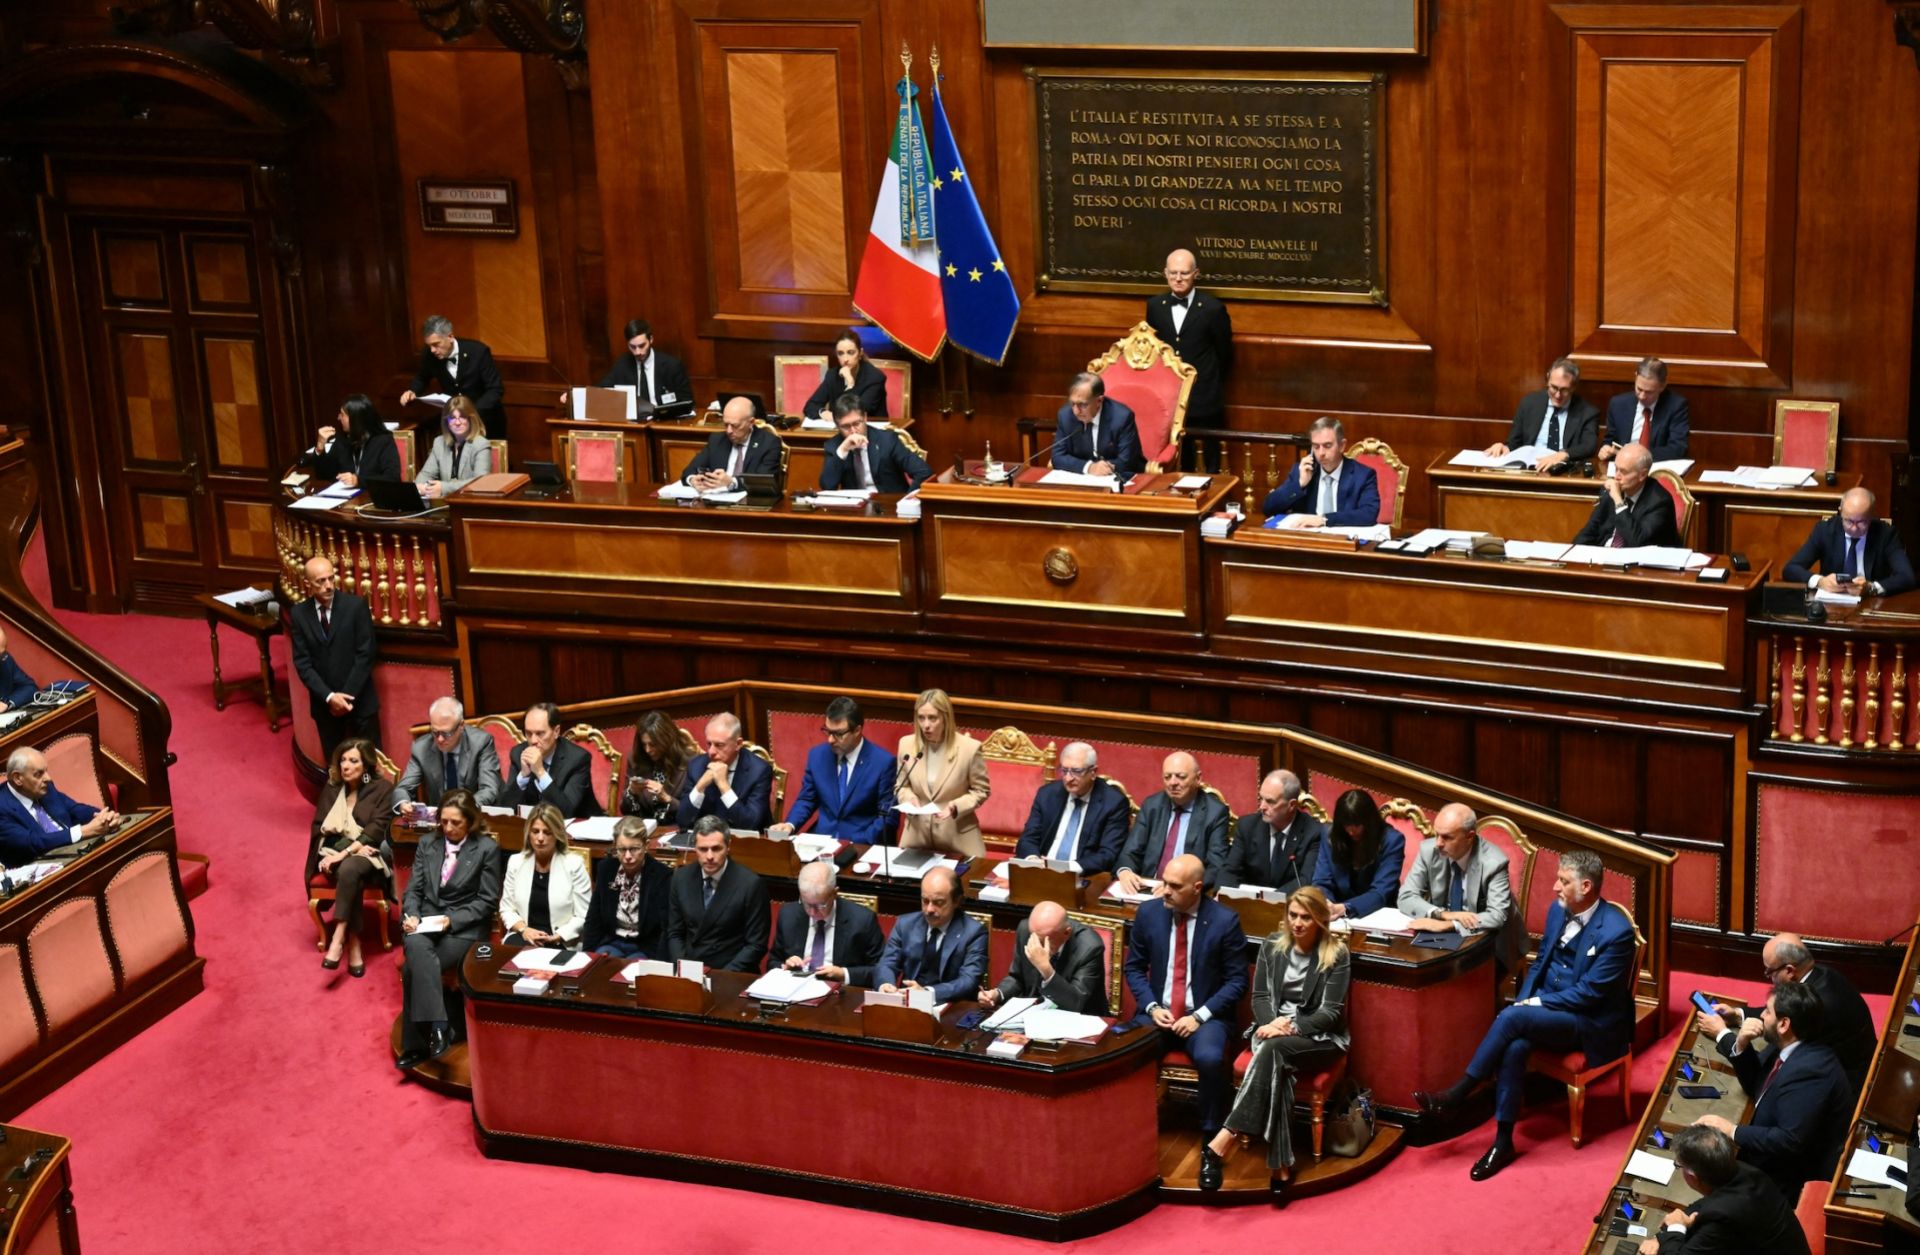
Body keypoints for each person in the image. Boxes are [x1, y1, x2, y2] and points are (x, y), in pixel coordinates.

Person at [1413, 850, 1637, 1180]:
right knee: (1515, 1043)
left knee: (1512, 1018)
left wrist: (1528, 1008)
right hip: (1549, 1007)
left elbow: (1589, 995)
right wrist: (1526, 999)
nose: (1554, 888)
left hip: (1588, 1021)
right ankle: (1503, 1142)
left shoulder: (1617, 933)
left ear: (1586, 886)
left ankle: (1456, 1095)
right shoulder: (1557, 911)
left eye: (1563, 881)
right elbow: (1540, 962)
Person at [1205, 886, 1352, 1203]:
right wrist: (1271, 1023)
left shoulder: (1336, 954)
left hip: (1319, 1039)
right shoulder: (1272, 946)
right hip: (1272, 1032)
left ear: (1320, 921)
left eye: (1306, 917)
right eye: (1293, 915)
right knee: (1278, 1063)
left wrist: (1292, 1025)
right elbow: (1259, 997)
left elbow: (1331, 1013)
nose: (1297, 923)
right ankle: (1280, 1165)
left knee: (1274, 1051)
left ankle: (1225, 1136)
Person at [1125, 853, 1249, 1190]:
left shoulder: (1225, 921)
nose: (1164, 891)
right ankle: (1128, 1132)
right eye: (1164, 882)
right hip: (1159, 1013)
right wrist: (1151, 1006)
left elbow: (1237, 982)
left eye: (1174, 886)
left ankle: (1211, 1141)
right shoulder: (1149, 913)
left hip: (1205, 1016)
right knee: (1126, 1052)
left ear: (1197, 888)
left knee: (1210, 1059)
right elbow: (1134, 968)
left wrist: (1198, 1016)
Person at [1690, 980, 1852, 1197]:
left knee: (1703, 1170)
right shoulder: (1793, 1044)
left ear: (1784, 1024)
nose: (1762, 1016)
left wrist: (1732, 1131)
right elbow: (1757, 1087)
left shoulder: (1811, 1072)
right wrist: (1742, 1044)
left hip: (1790, 1178)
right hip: (1777, 1148)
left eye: (1767, 1011)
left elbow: (1789, 1140)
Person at [396, 790, 502, 1070]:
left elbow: (487, 901)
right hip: (424, 923)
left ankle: (417, 1045)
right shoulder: (428, 843)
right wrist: (413, 917)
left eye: (456, 822)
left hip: (462, 928)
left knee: (411, 969)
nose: (449, 828)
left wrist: (450, 920)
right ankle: (441, 1025)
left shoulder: (486, 849)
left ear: (470, 822)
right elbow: (413, 890)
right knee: (417, 947)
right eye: (444, 822)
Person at [1697, 931, 1876, 1096]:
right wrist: (1738, 1015)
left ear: (1789, 970)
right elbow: (1784, 1008)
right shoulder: (1821, 974)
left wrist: (1722, 1034)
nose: (1769, 978)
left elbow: (1758, 1083)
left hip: (1847, 1086)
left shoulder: (1819, 1009)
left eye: (1769, 972)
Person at [1634, 1125, 1811, 1255]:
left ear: (1693, 1177)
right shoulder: (1744, 1171)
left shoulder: (1723, 1217)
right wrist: (1665, 1234)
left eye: (1679, 1165)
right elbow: (1706, 1204)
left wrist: (1676, 1228)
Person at [305, 737, 394, 978]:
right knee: (349, 869)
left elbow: (376, 830)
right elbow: (320, 828)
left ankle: (339, 936)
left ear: (365, 766)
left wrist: (347, 851)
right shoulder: (333, 788)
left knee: (350, 866)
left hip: (371, 855)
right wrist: (351, 848)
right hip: (335, 853)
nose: (345, 766)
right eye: (342, 760)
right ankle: (354, 942)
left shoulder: (384, 789)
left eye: (353, 761)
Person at [1399, 803, 1522, 971]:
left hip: (1488, 943)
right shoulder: (1429, 851)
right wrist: (1444, 915)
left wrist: (1450, 924)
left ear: (1470, 836)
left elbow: (1497, 916)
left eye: (1447, 837)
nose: (1438, 843)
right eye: (1437, 834)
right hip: (1439, 939)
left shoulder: (1493, 862)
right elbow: (1406, 896)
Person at [768, 696, 897, 847]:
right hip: (822, 843)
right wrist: (790, 824)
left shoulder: (882, 763)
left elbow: (888, 818)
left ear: (857, 730)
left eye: (838, 734)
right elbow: (807, 799)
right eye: (827, 731)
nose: (830, 739)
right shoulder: (817, 756)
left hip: (860, 844)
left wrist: (854, 843)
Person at [1146, 248, 1232, 473]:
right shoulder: (1155, 306)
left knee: (1209, 460)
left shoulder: (1213, 308)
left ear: (1196, 273)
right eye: (1173, 273)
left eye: (1184, 273)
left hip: (1203, 399)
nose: (1178, 278)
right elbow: (1155, 350)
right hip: (1168, 399)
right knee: (1175, 458)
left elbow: (1224, 353)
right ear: (1165, 273)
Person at [287, 556, 380, 757]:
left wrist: (344, 698)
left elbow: (366, 654)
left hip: (360, 702)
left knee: (370, 769)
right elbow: (303, 663)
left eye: (331, 578)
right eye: (321, 581)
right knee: (336, 767)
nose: (328, 586)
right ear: (307, 584)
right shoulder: (299, 615)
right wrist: (330, 697)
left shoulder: (355, 607)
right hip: (325, 706)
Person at [1113, 752, 1230, 893]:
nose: (1173, 783)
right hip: (1148, 888)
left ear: (1198, 778)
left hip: (1187, 894)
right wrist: (1125, 871)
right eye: (1167, 777)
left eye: (1181, 777)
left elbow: (1216, 865)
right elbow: (1130, 851)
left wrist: (1178, 887)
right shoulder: (1152, 805)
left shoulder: (1215, 812)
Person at [894, 688, 990, 858]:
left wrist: (955, 806)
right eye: (921, 718)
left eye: (932, 718)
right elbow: (901, 786)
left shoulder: (969, 748)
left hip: (958, 839)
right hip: (917, 837)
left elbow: (981, 791)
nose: (926, 725)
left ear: (945, 718)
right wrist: (909, 798)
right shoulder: (906, 745)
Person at [665, 816, 770, 972]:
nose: (709, 857)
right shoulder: (681, 878)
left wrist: (722, 976)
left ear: (728, 847)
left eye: (716, 848)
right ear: (695, 848)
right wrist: (684, 968)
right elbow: (675, 933)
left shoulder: (750, 884)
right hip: (690, 968)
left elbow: (756, 945)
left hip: (732, 972)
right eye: (703, 849)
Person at [875, 866, 989, 1002]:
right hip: (906, 1003)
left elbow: (968, 981)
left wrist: (927, 993)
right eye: (925, 901)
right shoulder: (905, 924)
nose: (929, 909)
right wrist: (886, 984)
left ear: (957, 901)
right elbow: (887, 963)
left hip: (950, 1006)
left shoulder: (974, 933)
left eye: (938, 902)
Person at [1013, 741, 1130, 873]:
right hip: (1040, 872)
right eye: (1064, 770)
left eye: (1076, 771)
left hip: (1083, 876)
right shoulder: (1047, 794)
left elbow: (1108, 854)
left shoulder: (1113, 803)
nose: (1068, 778)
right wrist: (1033, 860)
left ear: (1093, 772)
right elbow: (1028, 838)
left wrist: (1068, 868)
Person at [979, 899, 1109, 1016]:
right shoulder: (1026, 930)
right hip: (1034, 1013)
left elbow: (1075, 1003)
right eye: (1033, 937)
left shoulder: (1089, 947)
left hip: (1079, 1019)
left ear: (1067, 933)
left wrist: (1046, 969)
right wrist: (997, 994)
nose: (1037, 947)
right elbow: (1018, 978)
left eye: (1043, 941)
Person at [1782, 487, 1916, 597]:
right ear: (1840, 512)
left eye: (1862, 522)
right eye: (1849, 521)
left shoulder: (1886, 534)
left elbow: (1907, 577)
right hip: (1831, 604)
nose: (1854, 528)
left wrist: (1871, 587)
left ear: (1872, 515)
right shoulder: (1825, 531)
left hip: (1870, 605)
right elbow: (1790, 569)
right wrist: (1820, 581)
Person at [768, 861, 886, 985]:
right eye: (807, 904)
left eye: (821, 905)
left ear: (835, 893)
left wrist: (843, 974)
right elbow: (773, 962)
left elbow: (881, 970)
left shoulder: (862, 920)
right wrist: (786, 967)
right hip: (796, 988)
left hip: (840, 993)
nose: (813, 912)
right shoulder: (788, 915)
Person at [1, 746, 117, 868]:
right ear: (18, 778)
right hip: (40, 870)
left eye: (46, 771)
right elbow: (34, 842)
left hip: (76, 854)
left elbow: (74, 810)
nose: (48, 778)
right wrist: (83, 831)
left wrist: (105, 817)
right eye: (38, 774)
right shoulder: (2, 807)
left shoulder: (45, 787)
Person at [1261, 416, 1382, 528]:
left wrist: (1324, 519)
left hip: (1343, 543)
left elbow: (1369, 514)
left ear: (1342, 445)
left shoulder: (1363, 475)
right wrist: (1299, 484)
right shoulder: (1303, 471)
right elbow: (1268, 508)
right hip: (1307, 542)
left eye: (1327, 446)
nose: (1321, 453)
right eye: (1316, 446)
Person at [499, 802, 591, 948]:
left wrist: (558, 936)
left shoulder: (574, 865)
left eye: (547, 832)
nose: (540, 838)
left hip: (561, 939)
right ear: (528, 833)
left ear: (557, 834)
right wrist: (524, 930)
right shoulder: (516, 862)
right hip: (524, 936)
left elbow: (583, 915)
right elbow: (507, 908)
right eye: (535, 831)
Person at [1484, 357, 1600, 470]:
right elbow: (1514, 443)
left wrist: (1563, 454)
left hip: (1561, 470)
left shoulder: (1587, 412)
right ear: (1548, 379)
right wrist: (1504, 447)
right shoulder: (1529, 403)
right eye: (1554, 388)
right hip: (1529, 469)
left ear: (1573, 387)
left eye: (1564, 390)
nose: (1558, 395)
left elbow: (1588, 446)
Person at [400, 314, 505, 438]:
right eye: (429, 346)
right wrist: (412, 391)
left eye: (436, 344)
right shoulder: (429, 355)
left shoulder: (478, 352)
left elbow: (495, 389)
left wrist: (472, 413)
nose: (432, 350)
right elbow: (422, 377)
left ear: (450, 336)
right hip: (454, 425)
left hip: (486, 422)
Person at [580, 816, 671, 958]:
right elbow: (594, 918)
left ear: (646, 846)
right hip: (612, 942)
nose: (628, 856)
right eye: (622, 849)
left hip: (644, 947)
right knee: (600, 971)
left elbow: (665, 928)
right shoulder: (607, 869)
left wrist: (659, 962)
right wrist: (588, 956)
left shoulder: (661, 875)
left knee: (634, 974)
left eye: (634, 849)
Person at [1220, 769, 1324, 893]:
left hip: (1291, 906)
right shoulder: (1247, 826)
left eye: (1270, 802)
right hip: (1248, 904)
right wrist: (1222, 895)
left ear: (1292, 805)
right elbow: (1230, 871)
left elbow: (1305, 880)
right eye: (1261, 799)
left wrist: (1270, 901)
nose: (1262, 807)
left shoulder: (1313, 833)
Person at [394, 697, 504, 809]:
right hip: (442, 821)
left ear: (461, 726)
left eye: (447, 733)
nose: (440, 739)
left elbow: (489, 790)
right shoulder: (421, 748)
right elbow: (403, 789)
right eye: (435, 732)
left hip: (475, 815)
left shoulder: (480, 742)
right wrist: (404, 803)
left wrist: (460, 810)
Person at [1313, 789, 1405, 921]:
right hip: (1334, 915)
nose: (1351, 831)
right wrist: (1327, 904)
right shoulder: (1330, 835)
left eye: (1357, 825)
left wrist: (1345, 908)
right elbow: (1321, 881)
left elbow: (1380, 892)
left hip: (1376, 913)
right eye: (1346, 825)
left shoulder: (1392, 841)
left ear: (1369, 821)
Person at [676, 713, 774, 832]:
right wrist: (700, 786)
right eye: (709, 744)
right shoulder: (696, 766)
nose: (711, 752)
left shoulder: (759, 770)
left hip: (745, 843)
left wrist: (724, 786)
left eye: (719, 745)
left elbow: (750, 824)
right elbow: (682, 821)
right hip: (706, 842)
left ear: (738, 744)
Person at [1571, 443, 1680, 548]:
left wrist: (1619, 501)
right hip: (1605, 556)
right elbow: (1590, 531)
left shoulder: (1659, 502)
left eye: (1623, 471)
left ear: (1642, 474)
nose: (1616, 476)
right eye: (1616, 469)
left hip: (1641, 562)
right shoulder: (1610, 491)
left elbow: (1637, 542)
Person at [819, 395, 930, 493]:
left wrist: (907, 500)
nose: (853, 431)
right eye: (846, 426)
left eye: (857, 423)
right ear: (837, 426)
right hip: (855, 509)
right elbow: (827, 486)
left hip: (890, 506)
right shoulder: (834, 446)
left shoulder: (887, 440)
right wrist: (842, 451)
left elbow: (924, 472)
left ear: (865, 417)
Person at [509, 701, 599, 819]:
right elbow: (504, 810)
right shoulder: (518, 754)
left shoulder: (577, 759)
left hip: (576, 830)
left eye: (540, 733)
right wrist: (523, 777)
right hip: (535, 831)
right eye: (528, 733)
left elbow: (566, 812)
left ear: (556, 731)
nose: (533, 740)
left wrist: (541, 773)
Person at [1050, 372, 1143, 478]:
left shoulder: (1121, 417)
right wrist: (1089, 467)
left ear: (1099, 401)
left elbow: (1128, 461)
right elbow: (1057, 457)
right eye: (1072, 403)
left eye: (1082, 405)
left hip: (1117, 480)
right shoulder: (1065, 415)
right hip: (1080, 480)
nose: (1076, 411)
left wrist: (1103, 469)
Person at [1599, 357, 1689, 463]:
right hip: (1623, 469)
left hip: (1655, 467)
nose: (1642, 396)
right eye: (1639, 389)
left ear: (1662, 386)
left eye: (1649, 392)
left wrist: (1637, 456)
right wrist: (1605, 448)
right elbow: (1610, 440)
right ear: (1636, 377)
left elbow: (1677, 448)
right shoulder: (1618, 404)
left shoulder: (1675, 406)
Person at [679, 396, 781, 491]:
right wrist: (692, 480)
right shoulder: (717, 440)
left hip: (751, 504)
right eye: (726, 424)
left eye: (735, 426)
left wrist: (732, 483)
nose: (729, 431)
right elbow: (689, 471)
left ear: (751, 422)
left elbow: (764, 482)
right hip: (715, 501)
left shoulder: (769, 443)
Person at [304, 394, 400, 487]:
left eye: (342, 414)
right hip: (345, 500)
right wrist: (320, 448)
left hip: (374, 498)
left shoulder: (383, 441)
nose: (338, 418)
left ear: (356, 419)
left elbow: (392, 478)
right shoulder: (342, 439)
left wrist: (358, 481)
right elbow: (325, 474)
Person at [595, 318, 692, 407]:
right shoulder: (622, 364)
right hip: (634, 422)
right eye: (632, 347)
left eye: (642, 346)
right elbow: (602, 390)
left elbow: (687, 400)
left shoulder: (672, 366)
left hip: (663, 420)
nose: (638, 352)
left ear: (651, 339)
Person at [803, 328, 888, 421]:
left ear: (860, 353)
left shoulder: (875, 378)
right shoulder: (832, 375)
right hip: (840, 431)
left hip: (870, 432)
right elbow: (810, 407)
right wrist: (823, 412)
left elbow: (854, 413)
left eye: (851, 353)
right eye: (840, 353)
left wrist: (849, 383)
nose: (845, 359)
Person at [415, 397, 493, 500]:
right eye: (452, 418)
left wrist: (443, 488)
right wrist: (421, 487)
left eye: (462, 417)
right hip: (443, 504)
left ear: (471, 418)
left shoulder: (481, 444)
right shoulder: (439, 442)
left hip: (470, 504)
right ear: (446, 421)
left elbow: (480, 482)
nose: (457, 422)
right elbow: (426, 474)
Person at [620, 710, 688, 823]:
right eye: (644, 744)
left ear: (667, 740)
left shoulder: (689, 761)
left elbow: (693, 812)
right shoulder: (636, 760)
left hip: (677, 829)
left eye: (653, 744)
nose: (647, 750)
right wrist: (631, 793)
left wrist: (667, 798)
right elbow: (625, 810)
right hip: (643, 830)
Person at [0, 626, 39, 711]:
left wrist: (7, 704)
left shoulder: (5, 660)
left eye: (2, 654)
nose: (3, 658)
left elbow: (30, 687)